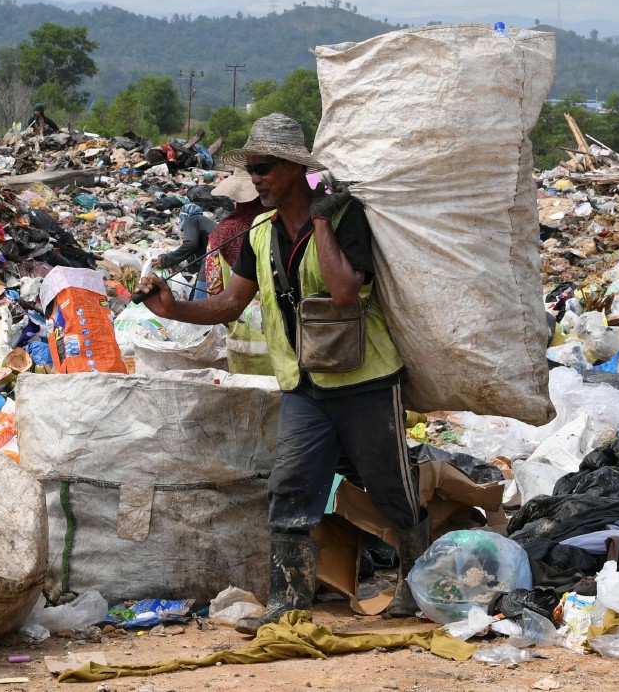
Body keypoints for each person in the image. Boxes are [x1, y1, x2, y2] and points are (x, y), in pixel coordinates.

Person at [136, 113, 429, 632]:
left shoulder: (345, 218)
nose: (257, 179)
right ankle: (288, 601)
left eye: (265, 168)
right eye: (252, 169)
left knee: (391, 490)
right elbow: (229, 303)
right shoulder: (258, 233)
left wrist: (320, 220)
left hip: (366, 380)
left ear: (296, 168)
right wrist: (172, 309)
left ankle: (417, 586)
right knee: (290, 489)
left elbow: (344, 291)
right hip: (303, 385)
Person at [204, 172, 274, 375]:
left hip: (241, 348)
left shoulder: (219, 235)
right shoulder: (277, 228)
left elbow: (214, 292)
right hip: (285, 348)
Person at [151, 202, 216, 301]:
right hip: (220, 258)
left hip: (213, 260)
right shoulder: (204, 222)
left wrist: (165, 260)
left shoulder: (191, 219)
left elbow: (190, 244)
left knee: (200, 301)